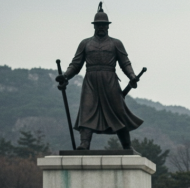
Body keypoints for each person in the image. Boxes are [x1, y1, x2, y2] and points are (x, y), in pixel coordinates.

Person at [56, 2, 143, 151]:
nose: (101, 27)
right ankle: (84, 143)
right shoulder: (85, 43)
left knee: (118, 112)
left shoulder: (116, 43)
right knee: (87, 110)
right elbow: (76, 64)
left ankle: (127, 145)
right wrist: (65, 76)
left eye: (104, 24)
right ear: (94, 26)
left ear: (108, 26)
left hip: (110, 81)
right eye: (98, 25)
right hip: (91, 81)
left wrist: (132, 75)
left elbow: (125, 63)